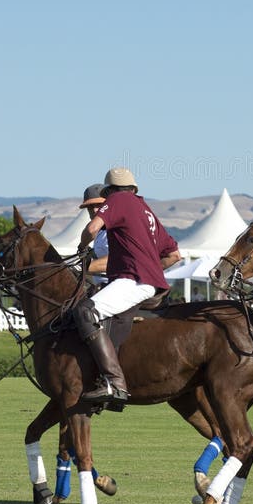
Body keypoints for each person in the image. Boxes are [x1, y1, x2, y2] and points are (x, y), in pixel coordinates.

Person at [75, 167, 181, 408]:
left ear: (109, 191)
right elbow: (175, 255)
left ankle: (114, 381)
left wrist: (82, 249)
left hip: (132, 280)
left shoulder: (117, 200)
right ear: (134, 188)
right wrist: (151, 267)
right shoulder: (146, 210)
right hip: (148, 282)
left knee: (84, 311)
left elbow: (91, 229)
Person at [78, 184, 109, 287]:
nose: (94, 210)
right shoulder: (100, 232)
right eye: (90, 207)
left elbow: (120, 260)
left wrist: (86, 267)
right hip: (100, 287)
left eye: (99, 205)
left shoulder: (117, 230)